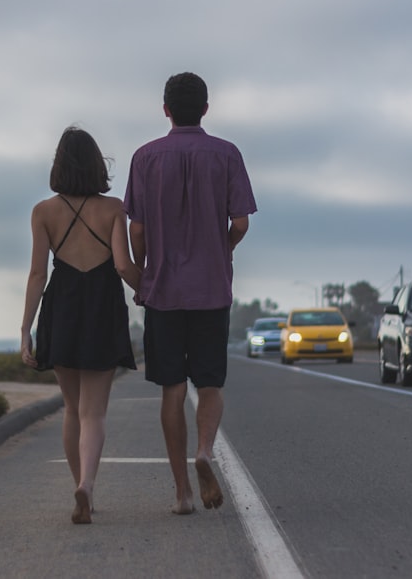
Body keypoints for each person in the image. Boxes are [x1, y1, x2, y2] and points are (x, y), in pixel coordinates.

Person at [123, 72, 257, 515]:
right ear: (205, 108)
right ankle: (204, 451)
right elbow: (240, 223)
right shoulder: (227, 154)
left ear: (165, 110)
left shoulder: (144, 158)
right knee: (211, 382)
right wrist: (224, 247)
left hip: (162, 291)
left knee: (172, 389)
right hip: (211, 289)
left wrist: (143, 270)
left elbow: (136, 228)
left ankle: (181, 492)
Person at [20, 126, 142, 524]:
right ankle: (87, 484)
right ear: (95, 164)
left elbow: (38, 274)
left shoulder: (43, 212)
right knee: (95, 412)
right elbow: (123, 265)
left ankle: (80, 484)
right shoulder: (113, 209)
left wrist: (26, 329)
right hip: (103, 304)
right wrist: (147, 291)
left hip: (63, 305)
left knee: (72, 408)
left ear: (58, 165)